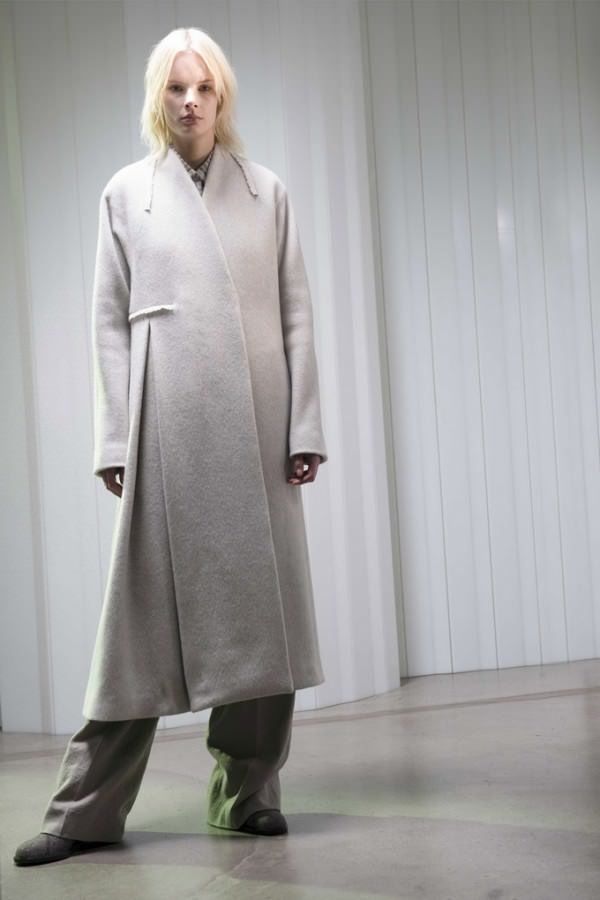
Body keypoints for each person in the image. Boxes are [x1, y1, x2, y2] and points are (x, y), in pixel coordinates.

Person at [14, 26, 327, 867]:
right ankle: (84, 811)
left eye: (204, 88)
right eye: (176, 88)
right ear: (159, 97)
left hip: (258, 426)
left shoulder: (266, 192)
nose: (190, 102)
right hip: (165, 431)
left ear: (222, 97)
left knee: (262, 631)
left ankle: (247, 794)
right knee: (135, 638)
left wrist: (304, 426)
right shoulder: (126, 193)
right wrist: (115, 437)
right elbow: (107, 325)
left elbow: (296, 313)